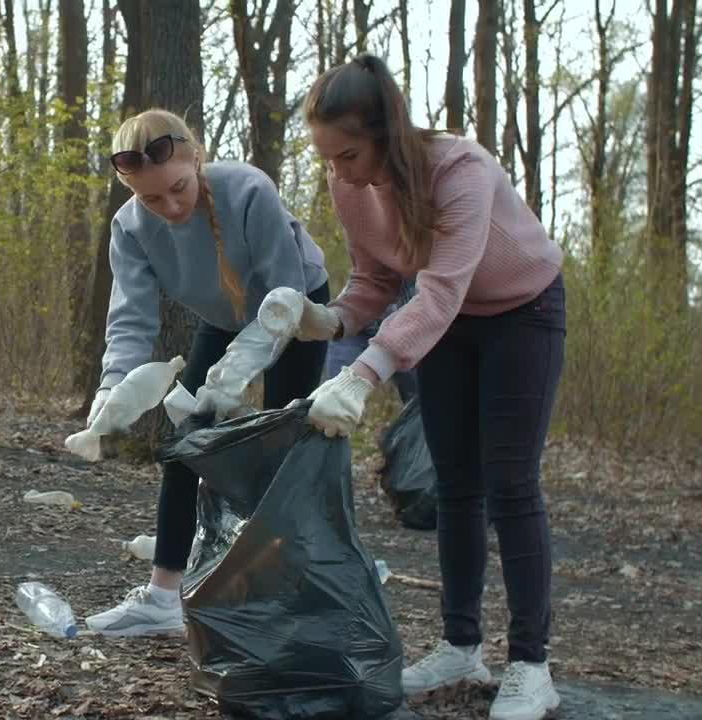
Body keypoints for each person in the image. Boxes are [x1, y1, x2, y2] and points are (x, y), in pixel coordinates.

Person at [295, 54, 566, 720]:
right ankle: (460, 644)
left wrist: (365, 374)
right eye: (327, 158)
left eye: (349, 154)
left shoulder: (461, 170)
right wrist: (327, 320)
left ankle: (532, 664)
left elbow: (440, 288)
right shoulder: (349, 186)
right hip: (450, 326)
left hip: (522, 315)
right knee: (454, 484)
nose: (339, 172)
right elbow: (377, 280)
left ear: (387, 132)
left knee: (510, 481)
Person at [82, 108, 331, 637]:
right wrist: (112, 389)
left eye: (178, 188)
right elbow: (130, 319)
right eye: (151, 198)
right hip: (223, 319)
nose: (170, 207)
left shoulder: (247, 190)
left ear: (196, 158)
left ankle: (292, 588)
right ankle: (162, 596)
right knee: (186, 442)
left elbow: (282, 297)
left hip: (296, 310)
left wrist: (235, 376)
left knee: (284, 444)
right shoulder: (129, 228)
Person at [323, 278, 418, 405]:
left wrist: (369, 368)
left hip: (414, 336)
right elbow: (365, 277)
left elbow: (431, 309)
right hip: (357, 326)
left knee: (419, 403)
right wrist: (333, 319)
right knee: (330, 398)